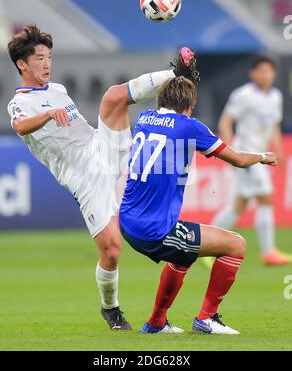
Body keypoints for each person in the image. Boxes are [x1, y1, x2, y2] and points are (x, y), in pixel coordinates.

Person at [7, 24, 187, 330]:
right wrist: (48, 115)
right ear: (22, 64)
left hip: (99, 146)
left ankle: (175, 72)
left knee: (113, 97)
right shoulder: (20, 102)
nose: (47, 63)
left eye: (49, 57)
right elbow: (21, 128)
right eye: (39, 58)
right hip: (84, 176)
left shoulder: (58, 90)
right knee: (112, 250)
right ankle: (111, 308)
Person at [119, 48, 278, 335]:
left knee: (183, 256)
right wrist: (263, 157)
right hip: (155, 229)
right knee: (235, 245)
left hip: (128, 222)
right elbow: (239, 159)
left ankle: (156, 324)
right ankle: (207, 318)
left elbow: (171, 107)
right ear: (189, 106)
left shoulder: (144, 118)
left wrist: (180, 76)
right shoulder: (189, 126)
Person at [212, 56, 291, 266]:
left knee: (238, 205)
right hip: (246, 155)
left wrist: (280, 150)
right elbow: (226, 121)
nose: (265, 75)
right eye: (261, 71)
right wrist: (229, 152)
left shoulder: (275, 96)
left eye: (269, 71)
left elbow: (273, 125)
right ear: (253, 73)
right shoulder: (243, 95)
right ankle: (268, 252)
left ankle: (207, 245)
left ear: (274, 74)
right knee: (266, 198)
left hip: (261, 155)